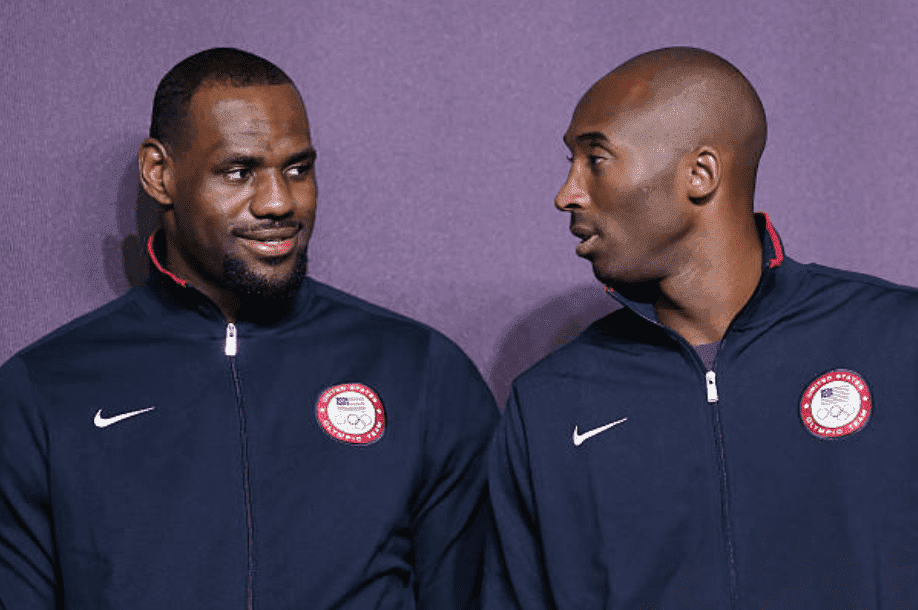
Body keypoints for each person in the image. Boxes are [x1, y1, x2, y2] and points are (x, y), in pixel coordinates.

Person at [0, 47, 497, 609]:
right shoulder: (43, 391)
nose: (278, 202)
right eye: (239, 172)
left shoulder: (420, 371)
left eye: (297, 169)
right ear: (160, 174)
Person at [485, 46, 918, 609]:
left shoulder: (898, 343)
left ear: (700, 173)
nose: (567, 193)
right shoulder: (549, 404)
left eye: (595, 159)